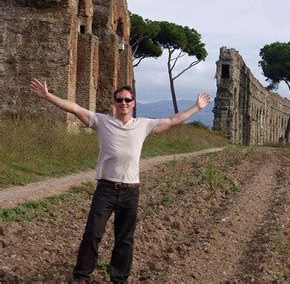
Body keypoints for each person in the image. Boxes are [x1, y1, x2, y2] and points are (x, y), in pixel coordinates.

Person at [29, 78, 210, 283]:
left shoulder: (144, 125)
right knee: (92, 233)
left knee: (124, 239)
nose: (123, 103)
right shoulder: (102, 121)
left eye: (127, 100)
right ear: (114, 103)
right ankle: (81, 276)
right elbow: (74, 108)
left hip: (130, 191)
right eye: (119, 100)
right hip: (105, 189)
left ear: (133, 103)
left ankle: (119, 278)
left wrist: (197, 107)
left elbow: (173, 120)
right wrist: (48, 96)